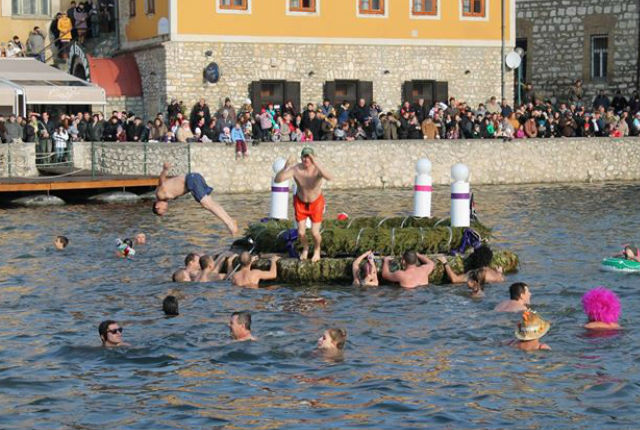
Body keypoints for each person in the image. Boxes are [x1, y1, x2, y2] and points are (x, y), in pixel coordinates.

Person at [274, 147, 333, 262]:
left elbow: (330, 177)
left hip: (316, 203)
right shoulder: (296, 169)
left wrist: (316, 162)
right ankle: (305, 248)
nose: (307, 159)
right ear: (301, 158)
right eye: (304, 157)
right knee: (301, 232)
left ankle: (317, 249)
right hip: (300, 202)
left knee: (315, 232)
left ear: (313, 158)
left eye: (309, 157)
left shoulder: (317, 169)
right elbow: (278, 180)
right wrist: (285, 167)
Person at [152, 162, 238, 235]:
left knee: (206, 204)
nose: (165, 209)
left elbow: (161, 182)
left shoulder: (160, 195)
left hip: (191, 180)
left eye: (162, 210)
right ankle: (230, 220)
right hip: (194, 178)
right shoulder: (165, 196)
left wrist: (165, 170)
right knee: (210, 202)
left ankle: (229, 223)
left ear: (157, 206)